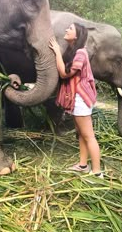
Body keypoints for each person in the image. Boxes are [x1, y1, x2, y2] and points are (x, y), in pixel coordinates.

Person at [49, 23, 103, 178]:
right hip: (76, 99)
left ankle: (97, 172)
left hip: (80, 99)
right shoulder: (74, 52)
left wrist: (57, 53)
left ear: (78, 35)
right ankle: (83, 165)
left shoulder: (81, 53)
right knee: (81, 134)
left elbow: (65, 74)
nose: (66, 29)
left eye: (70, 28)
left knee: (88, 135)